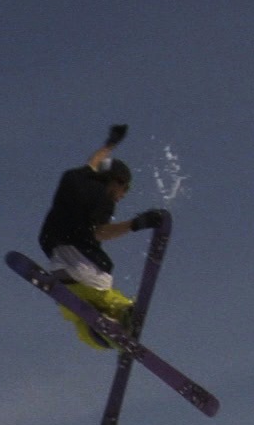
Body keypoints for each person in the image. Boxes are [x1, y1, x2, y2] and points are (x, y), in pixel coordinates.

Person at [38, 124, 166, 348]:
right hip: (84, 268)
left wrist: (111, 144)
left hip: (59, 269)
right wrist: (137, 223)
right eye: (124, 189)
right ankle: (123, 316)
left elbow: (94, 162)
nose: (122, 196)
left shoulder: (74, 177)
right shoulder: (102, 197)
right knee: (110, 299)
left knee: (79, 315)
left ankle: (100, 333)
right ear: (115, 181)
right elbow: (100, 232)